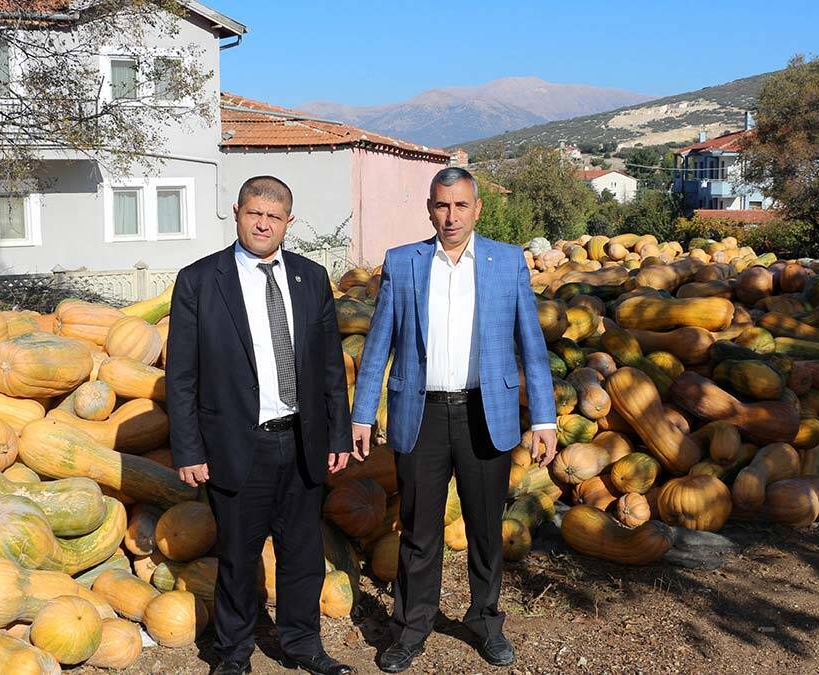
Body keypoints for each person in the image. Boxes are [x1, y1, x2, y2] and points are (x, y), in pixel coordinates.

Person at [350, 167, 558, 672]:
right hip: (420, 413)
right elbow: (379, 344)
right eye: (442, 206)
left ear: (477, 209)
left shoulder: (506, 262)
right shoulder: (404, 263)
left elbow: (532, 346)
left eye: (460, 205)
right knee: (420, 530)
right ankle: (410, 629)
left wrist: (546, 419)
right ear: (429, 208)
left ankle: (486, 621)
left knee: (486, 527)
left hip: (485, 413)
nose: (451, 216)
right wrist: (361, 412)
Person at [166, 175, 353, 675]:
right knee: (237, 558)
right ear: (237, 212)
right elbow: (180, 376)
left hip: (301, 441)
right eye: (255, 213)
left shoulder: (311, 278)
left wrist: (337, 433)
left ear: (289, 221)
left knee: (303, 554)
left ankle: (302, 645)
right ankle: (233, 654)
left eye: (274, 216)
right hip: (234, 444)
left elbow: (331, 366)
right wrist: (188, 449)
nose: (263, 224)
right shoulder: (200, 281)